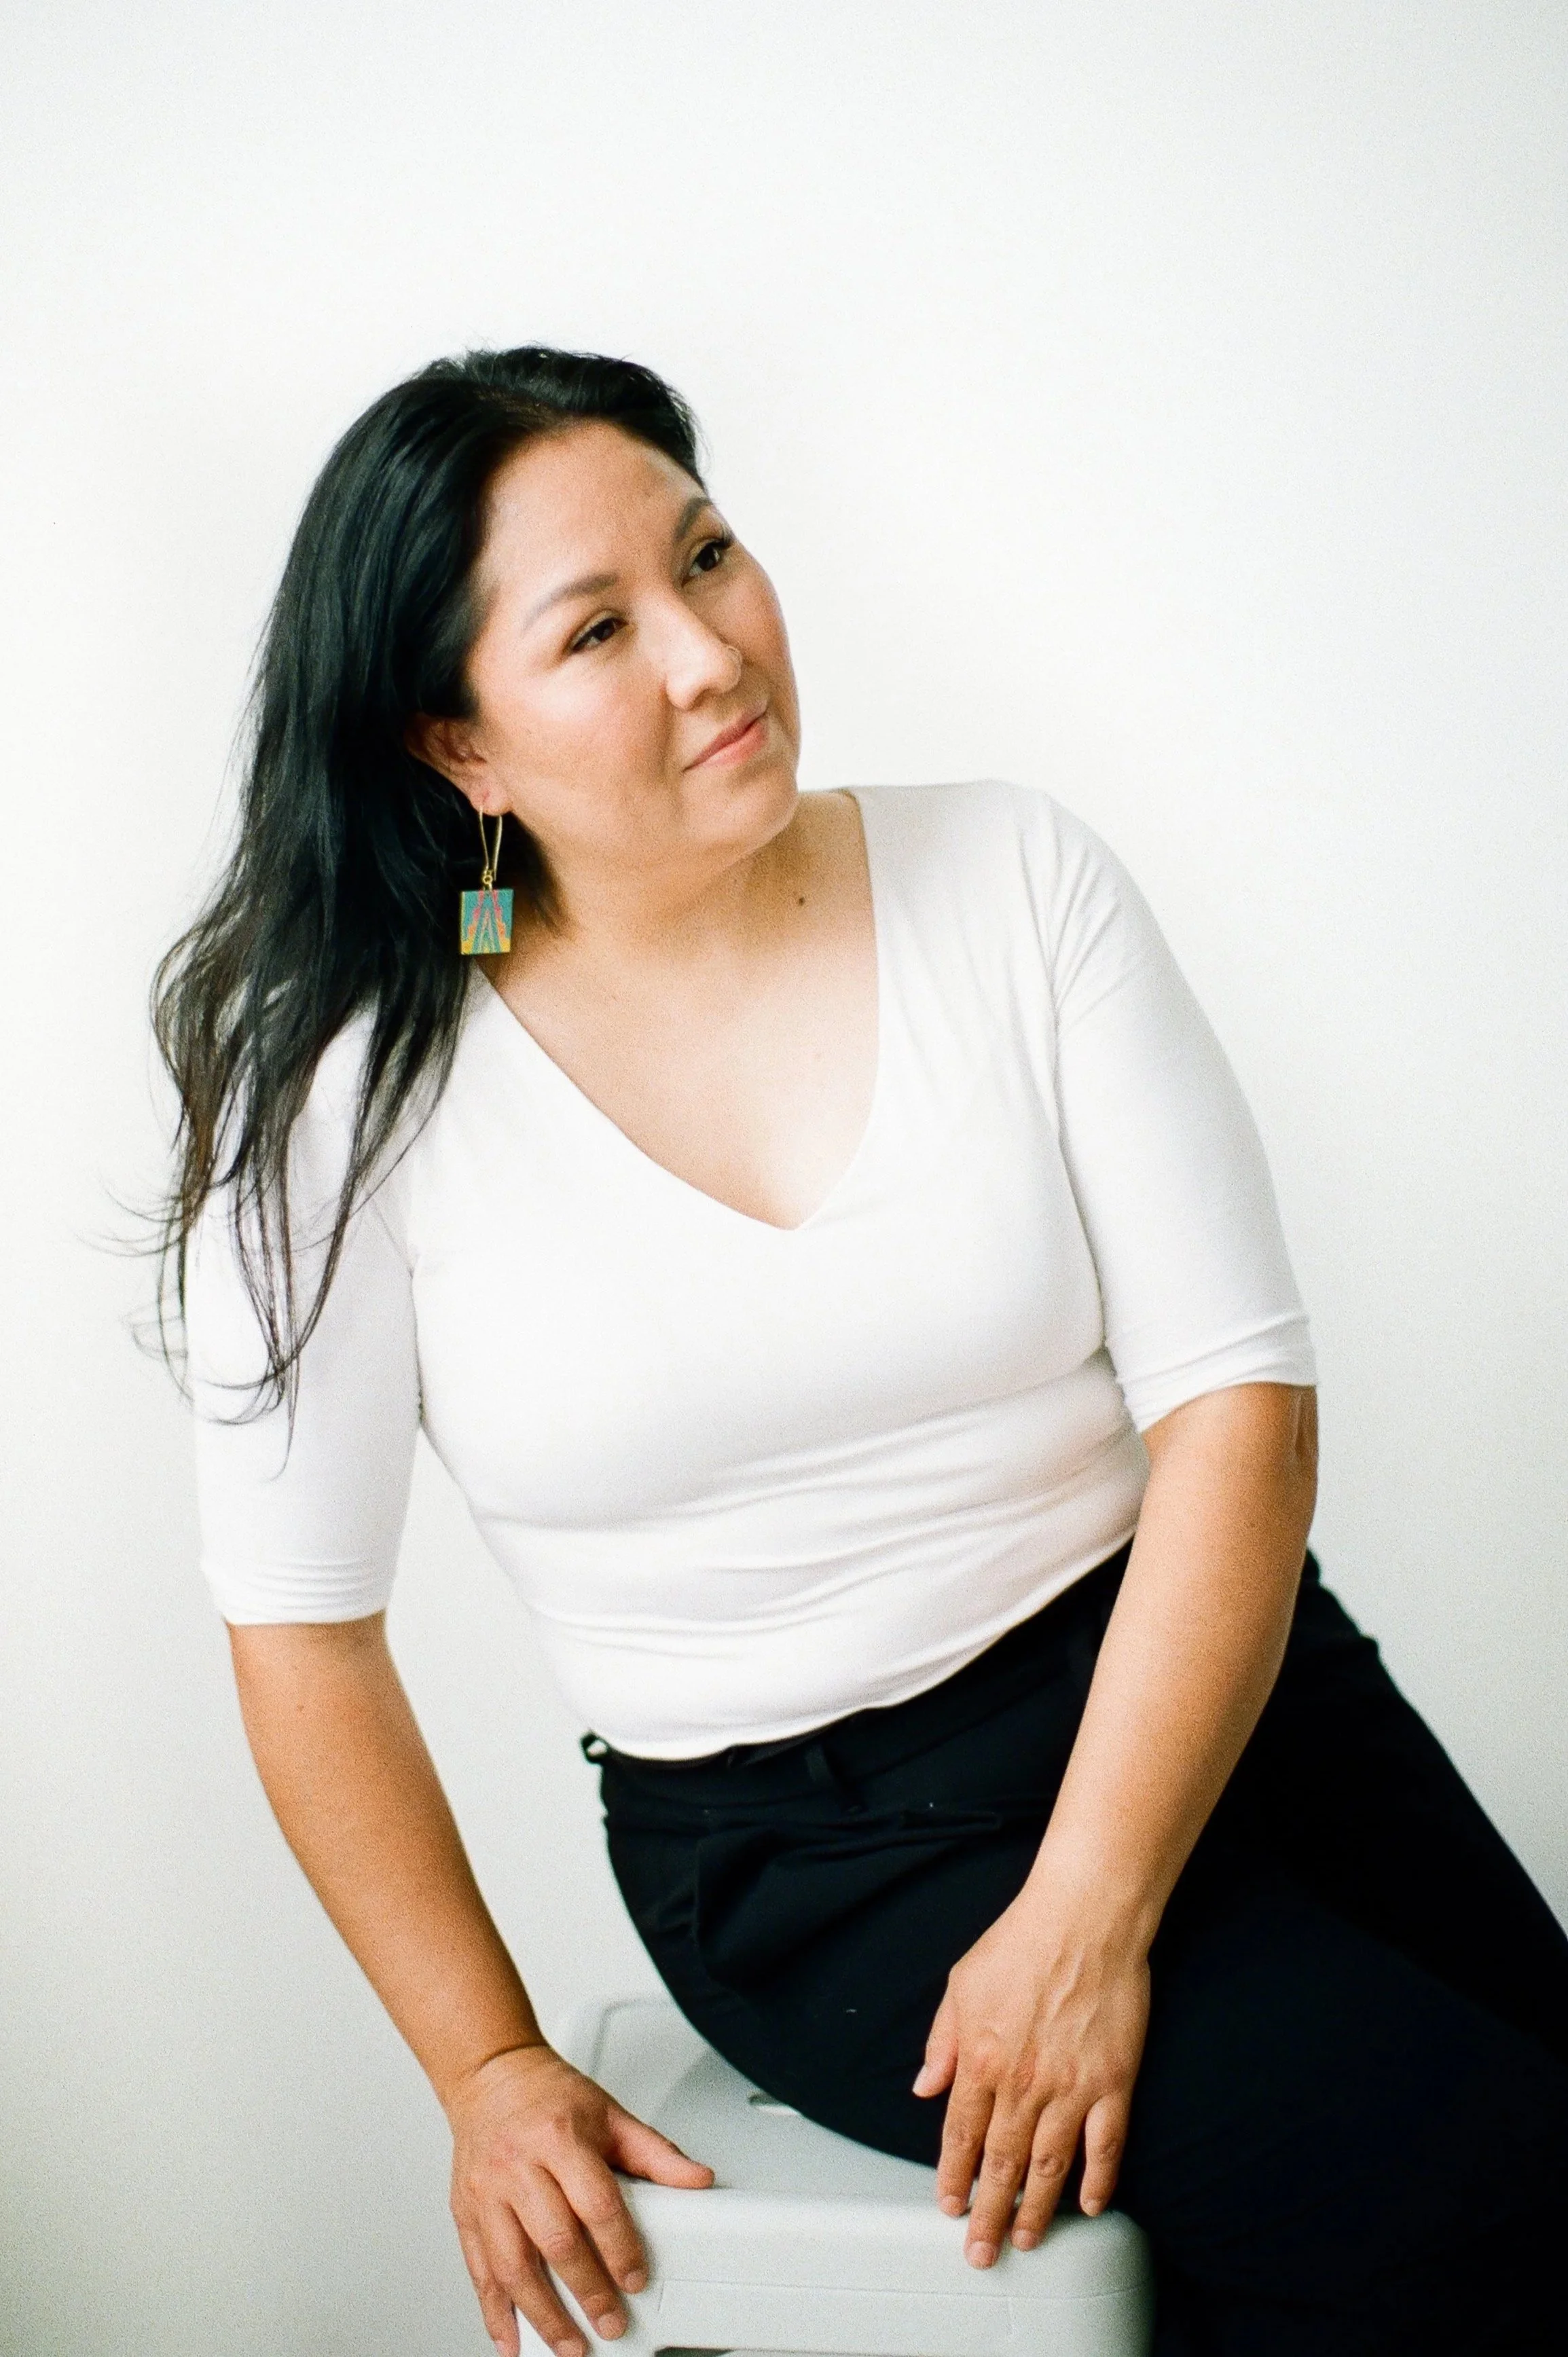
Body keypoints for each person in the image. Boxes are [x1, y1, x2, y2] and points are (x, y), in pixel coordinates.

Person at [158, 345, 1568, 2357]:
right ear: (455, 746)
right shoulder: (344, 1110)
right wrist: (481, 2066)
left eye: (709, 554)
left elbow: (1237, 1415)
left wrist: (1086, 1910)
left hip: (1208, 1689)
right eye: (597, 628)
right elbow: (300, 1637)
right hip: (818, 1859)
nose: (709, 649)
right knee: (1492, 2201)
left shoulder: (1012, 876)